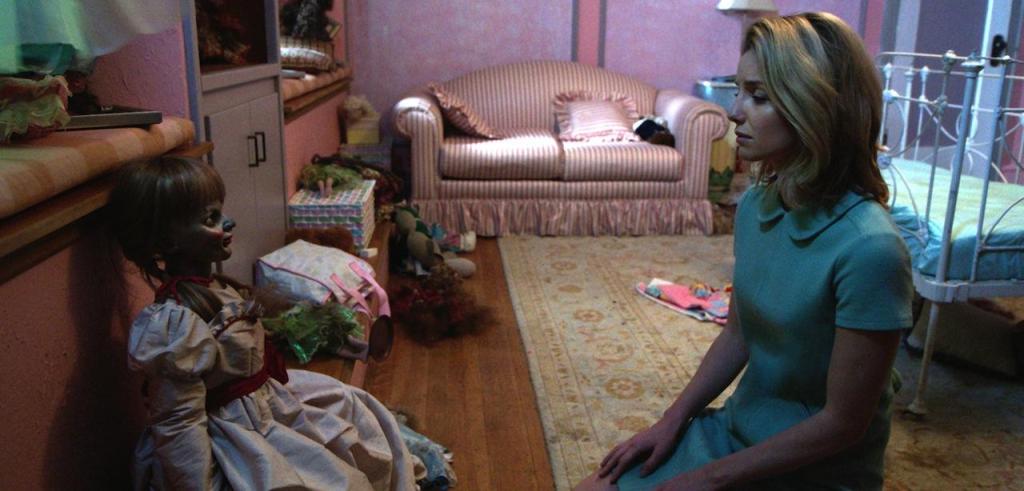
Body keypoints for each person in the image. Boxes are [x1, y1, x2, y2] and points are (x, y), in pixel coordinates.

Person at [576, 12, 913, 490]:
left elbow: (843, 424)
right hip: (741, 434)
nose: (735, 112)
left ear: (816, 106)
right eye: (739, 91)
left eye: (758, 96)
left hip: (815, 470)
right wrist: (671, 421)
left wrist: (707, 479)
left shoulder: (872, 250)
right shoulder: (757, 205)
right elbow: (738, 334)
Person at [106, 156, 417, 490]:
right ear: (168, 242)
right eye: (211, 218)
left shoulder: (218, 288)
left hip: (264, 403)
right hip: (235, 437)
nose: (229, 222)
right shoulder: (174, 324)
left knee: (351, 405)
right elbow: (179, 421)